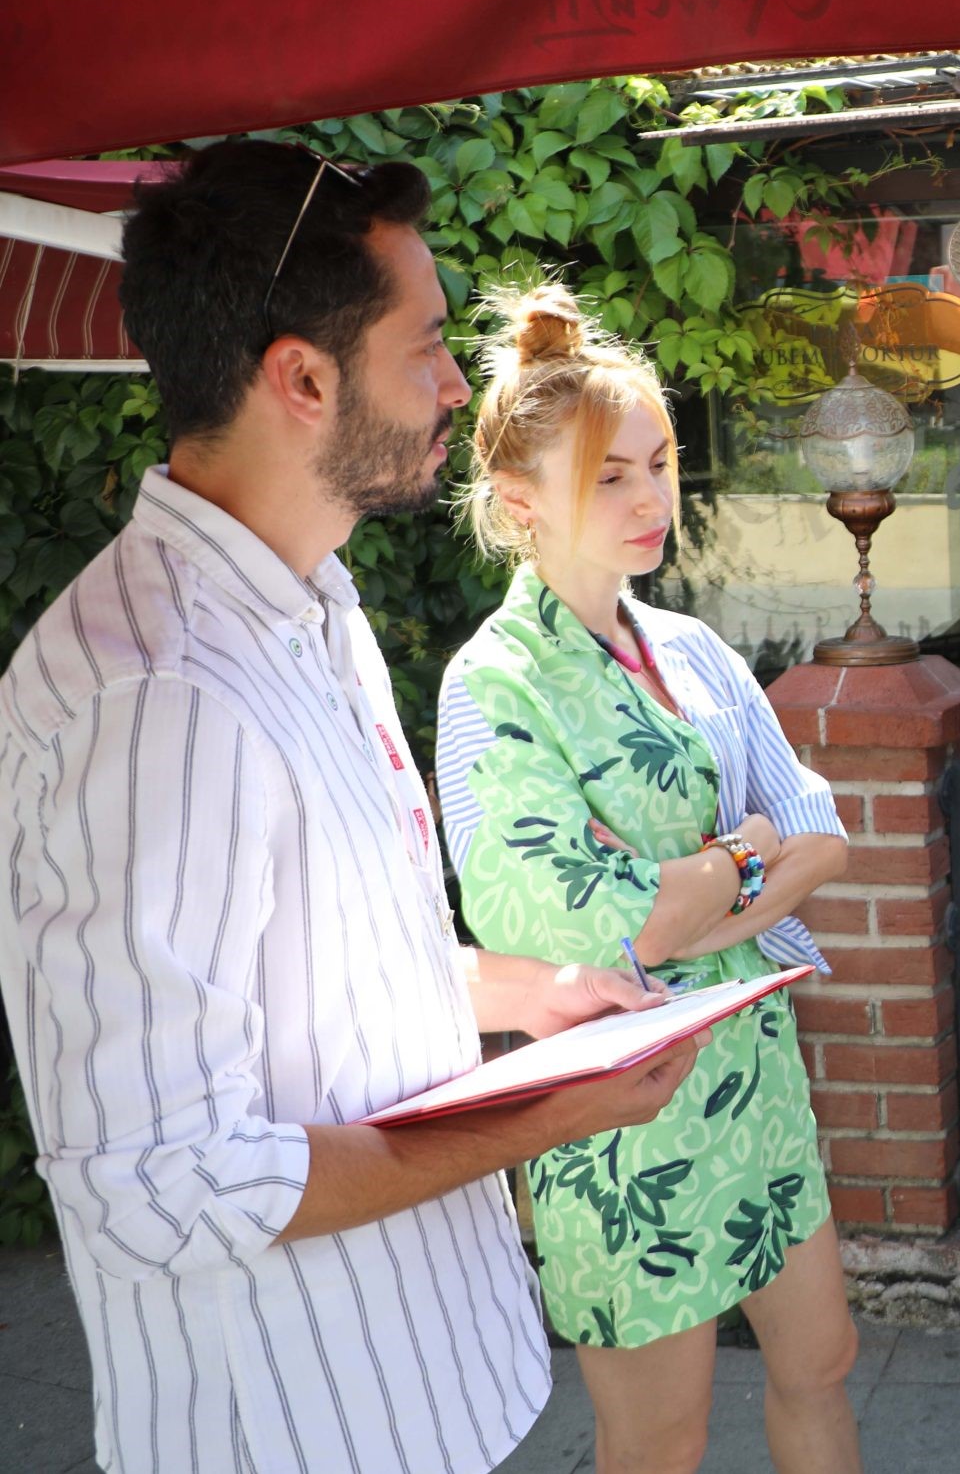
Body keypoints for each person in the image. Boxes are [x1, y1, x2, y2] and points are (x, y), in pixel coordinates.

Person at [0, 141, 702, 1474]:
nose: (458, 383)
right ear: (302, 377)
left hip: (419, 1385)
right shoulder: (158, 694)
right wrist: (549, 1112)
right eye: (427, 342)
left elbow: (310, 964)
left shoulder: (310, 602)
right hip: (300, 1424)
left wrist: (534, 992)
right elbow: (164, 1174)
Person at [434, 286, 862, 1474]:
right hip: (620, 1115)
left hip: (759, 1083)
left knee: (822, 1366)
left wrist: (701, 891)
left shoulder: (693, 646)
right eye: (609, 475)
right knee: (656, 1443)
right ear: (519, 504)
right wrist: (740, 854)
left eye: (659, 464)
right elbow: (583, 937)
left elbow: (823, 833)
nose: (650, 497)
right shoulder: (495, 685)